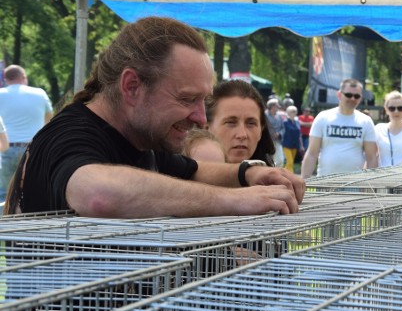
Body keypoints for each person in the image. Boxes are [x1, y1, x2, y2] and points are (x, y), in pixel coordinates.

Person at [6, 16, 304, 216]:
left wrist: (249, 173)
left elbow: (192, 170)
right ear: (132, 86)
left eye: (203, 101)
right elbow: (96, 193)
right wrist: (234, 200)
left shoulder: (140, 137)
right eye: (187, 99)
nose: (201, 118)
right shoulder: (69, 135)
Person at [300, 78, 378, 177]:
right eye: (348, 95)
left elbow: (371, 157)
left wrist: (370, 185)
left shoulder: (366, 121)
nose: (352, 99)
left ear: (360, 98)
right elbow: (312, 153)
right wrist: (303, 181)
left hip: (355, 184)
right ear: (339, 95)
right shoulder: (323, 118)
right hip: (325, 181)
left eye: (356, 96)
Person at [0, 65, 53, 202]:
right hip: (33, 148)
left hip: (6, 149)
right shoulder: (40, 93)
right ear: (23, 77)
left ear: (6, 79)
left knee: (5, 193)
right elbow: (49, 121)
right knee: (32, 189)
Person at [206, 79, 277, 166]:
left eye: (251, 124)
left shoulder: (273, 178)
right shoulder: (186, 176)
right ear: (206, 128)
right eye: (231, 123)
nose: (242, 135)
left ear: (261, 131)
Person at [281, 105, 304, 172]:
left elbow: (299, 134)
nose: (295, 113)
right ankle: (290, 176)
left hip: (295, 145)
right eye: (292, 111)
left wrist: (301, 145)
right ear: (288, 112)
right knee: (290, 161)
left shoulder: (297, 122)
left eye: (295, 111)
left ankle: (284, 174)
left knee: (290, 163)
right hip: (287, 144)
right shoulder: (285, 122)